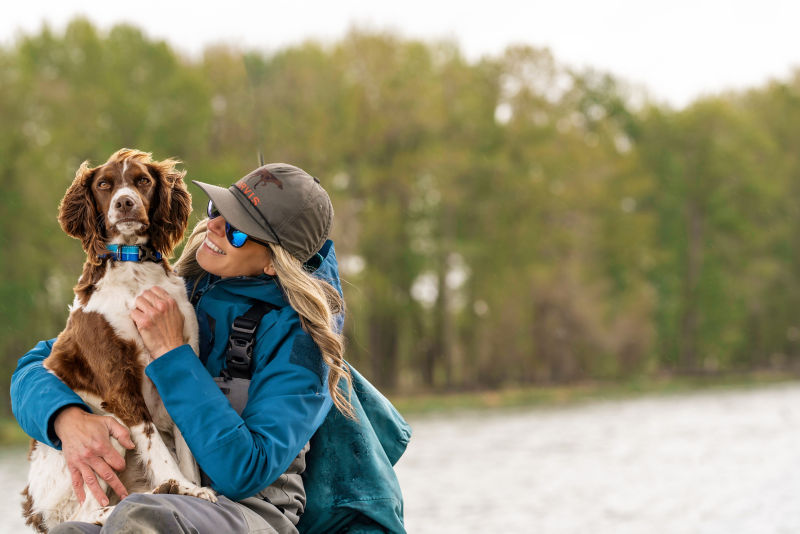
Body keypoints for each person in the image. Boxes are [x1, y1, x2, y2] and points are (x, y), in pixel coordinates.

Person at [11, 163, 407, 533]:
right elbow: (37, 365)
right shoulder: (183, 288)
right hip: (167, 498)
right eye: (219, 209)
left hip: (253, 512)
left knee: (139, 517)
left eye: (237, 231)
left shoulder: (300, 343)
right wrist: (65, 418)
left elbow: (244, 471)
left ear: (274, 263)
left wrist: (172, 354)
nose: (215, 227)